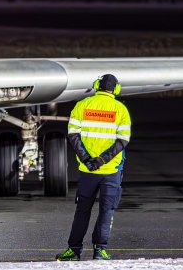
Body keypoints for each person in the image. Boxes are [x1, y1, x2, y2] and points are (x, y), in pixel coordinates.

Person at [56, 74, 131, 261]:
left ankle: (73, 250)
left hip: (87, 171)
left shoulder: (82, 105)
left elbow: (73, 136)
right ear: (116, 90)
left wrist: (88, 159)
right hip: (111, 171)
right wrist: (102, 160)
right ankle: (100, 250)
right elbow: (122, 141)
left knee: (82, 211)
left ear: (96, 86)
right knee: (106, 211)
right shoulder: (121, 110)